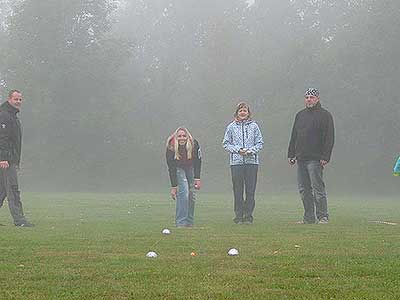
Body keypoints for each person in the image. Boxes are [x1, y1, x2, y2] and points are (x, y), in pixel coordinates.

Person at [288, 88, 334, 224]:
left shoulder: (325, 115)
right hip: (301, 158)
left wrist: (326, 156)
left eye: (312, 97)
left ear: (317, 98)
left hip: (316, 158)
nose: (309, 99)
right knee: (304, 190)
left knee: (318, 189)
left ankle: (323, 216)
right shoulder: (300, 115)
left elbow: (329, 137)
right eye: (307, 97)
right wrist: (291, 154)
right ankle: (308, 217)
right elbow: (294, 135)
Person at [223, 102, 264, 224]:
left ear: (248, 113)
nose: (242, 112)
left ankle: (248, 216)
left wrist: (250, 151)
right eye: (240, 110)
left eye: (244, 110)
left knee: (250, 191)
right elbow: (226, 143)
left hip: (252, 163)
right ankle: (238, 216)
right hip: (236, 163)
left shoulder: (254, 126)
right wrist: (238, 150)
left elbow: (260, 143)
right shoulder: (231, 127)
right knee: (238, 190)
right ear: (237, 113)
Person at [0, 90, 34, 227]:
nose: (18, 102)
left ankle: (19, 219)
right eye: (16, 99)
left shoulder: (12, 116)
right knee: (13, 189)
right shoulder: (4, 116)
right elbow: (3, 138)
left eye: (20, 99)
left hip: (10, 160)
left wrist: (16, 161)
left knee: (2, 190)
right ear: (9, 99)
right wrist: (3, 158)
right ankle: (19, 220)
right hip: (6, 160)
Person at [166, 127, 201, 227]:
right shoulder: (171, 146)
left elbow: (198, 161)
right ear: (176, 137)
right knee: (184, 192)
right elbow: (171, 167)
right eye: (179, 136)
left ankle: (189, 222)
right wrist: (174, 186)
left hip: (190, 166)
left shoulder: (194, 144)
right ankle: (181, 222)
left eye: (184, 136)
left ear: (188, 137)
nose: (182, 138)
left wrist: (197, 178)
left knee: (192, 194)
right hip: (178, 167)